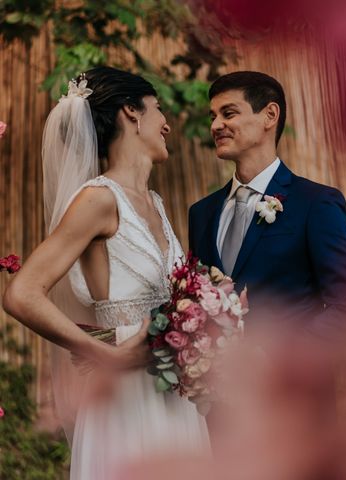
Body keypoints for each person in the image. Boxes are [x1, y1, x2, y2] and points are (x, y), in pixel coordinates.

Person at [2, 66, 209, 479]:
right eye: (158, 109)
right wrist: (106, 354)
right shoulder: (98, 199)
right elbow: (21, 293)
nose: (166, 124)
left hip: (172, 397)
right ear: (131, 113)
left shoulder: (155, 201)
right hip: (126, 400)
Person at [188, 71, 346, 343]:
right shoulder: (201, 213)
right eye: (212, 116)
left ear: (270, 116)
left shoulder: (315, 203)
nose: (215, 125)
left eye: (228, 113)